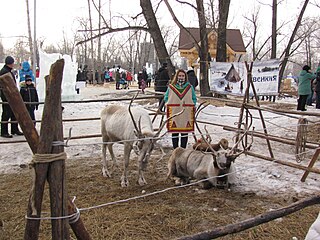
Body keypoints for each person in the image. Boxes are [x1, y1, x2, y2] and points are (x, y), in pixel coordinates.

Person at [164, 69, 197, 149]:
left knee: (184, 132)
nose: (181, 77)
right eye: (179, 76)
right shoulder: (171, 87)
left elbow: (194, 98)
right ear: (176, 76)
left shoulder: (189, 87)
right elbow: (166, 97)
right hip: (175, 112)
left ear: (185, 77)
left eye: (182, 76)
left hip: (186, 112)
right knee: (175, 132)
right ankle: (176, 150)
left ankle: (182, 150)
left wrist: (191, 105)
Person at [0, 56, 24, 138]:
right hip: (7, 96)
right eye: (13, 63)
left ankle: (14, 129)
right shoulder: (4, 72)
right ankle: (4, 131)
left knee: (14, 113)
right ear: (10, 63)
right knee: (6, 114)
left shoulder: (8, 71)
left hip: (12, 95)